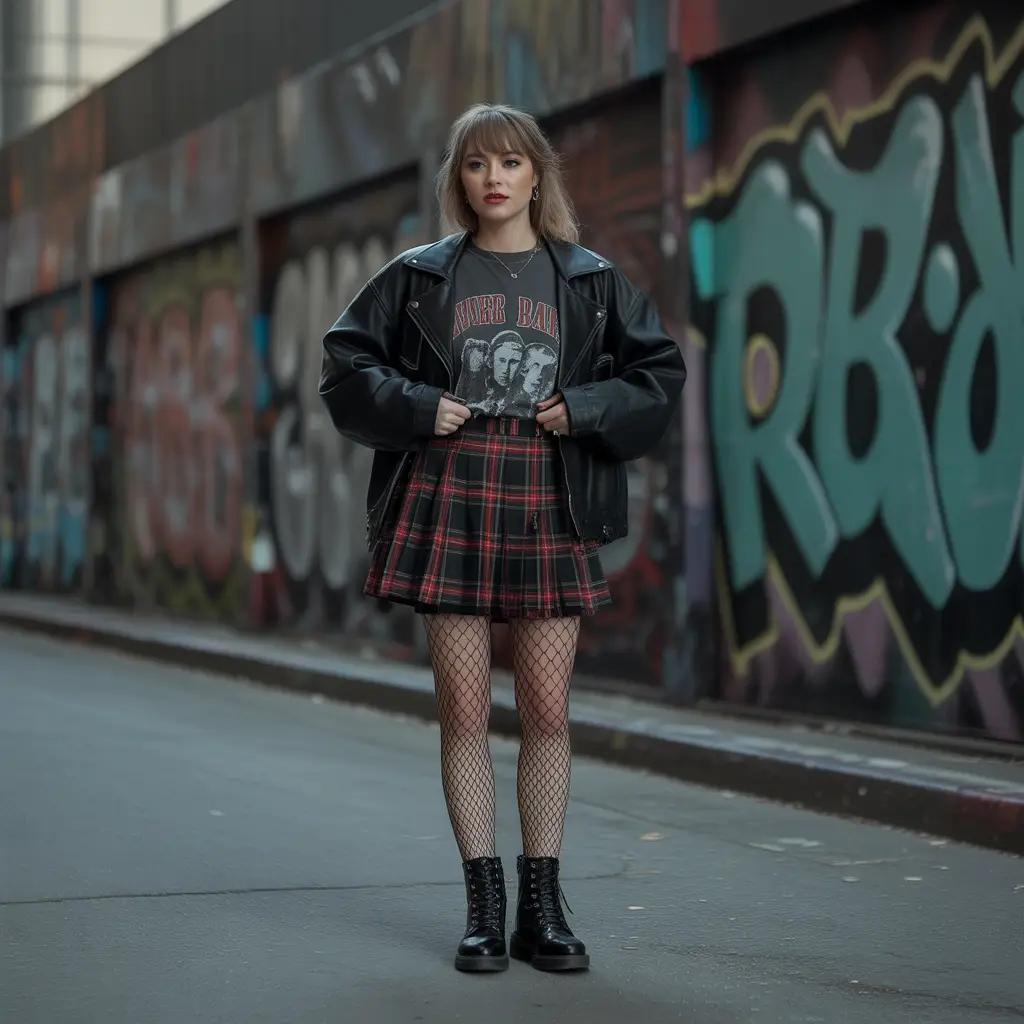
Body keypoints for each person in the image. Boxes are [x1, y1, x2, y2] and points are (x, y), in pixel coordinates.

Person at [319, 102, 686, 974]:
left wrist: (587, 406)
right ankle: (484, 909)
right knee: (465, 714)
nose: (494, 179)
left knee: (549, 712)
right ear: (460, 179)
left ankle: (543, 909)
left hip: (548, 499)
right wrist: (417, 405)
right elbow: (344, 364)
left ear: (536, 175)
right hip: (448, 495)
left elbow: (658, 374)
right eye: (478, 164)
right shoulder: (419, 276)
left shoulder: (591, 280)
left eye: (511, 162)